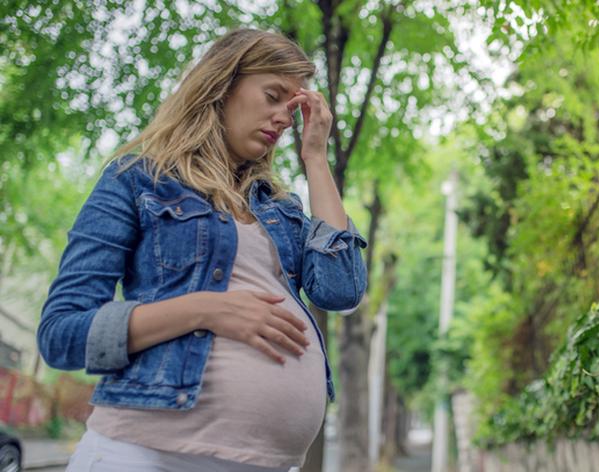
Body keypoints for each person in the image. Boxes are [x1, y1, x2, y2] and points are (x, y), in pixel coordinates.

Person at [36, 27, 367, 472]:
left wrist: (316, 160)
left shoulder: (281, 211)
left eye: (291, 111)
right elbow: (62, 333)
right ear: (222, 84)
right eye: (272, 96)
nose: (283, 120)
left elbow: (342, 290)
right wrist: (206, 309)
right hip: (147, 456)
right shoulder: (136, 179)